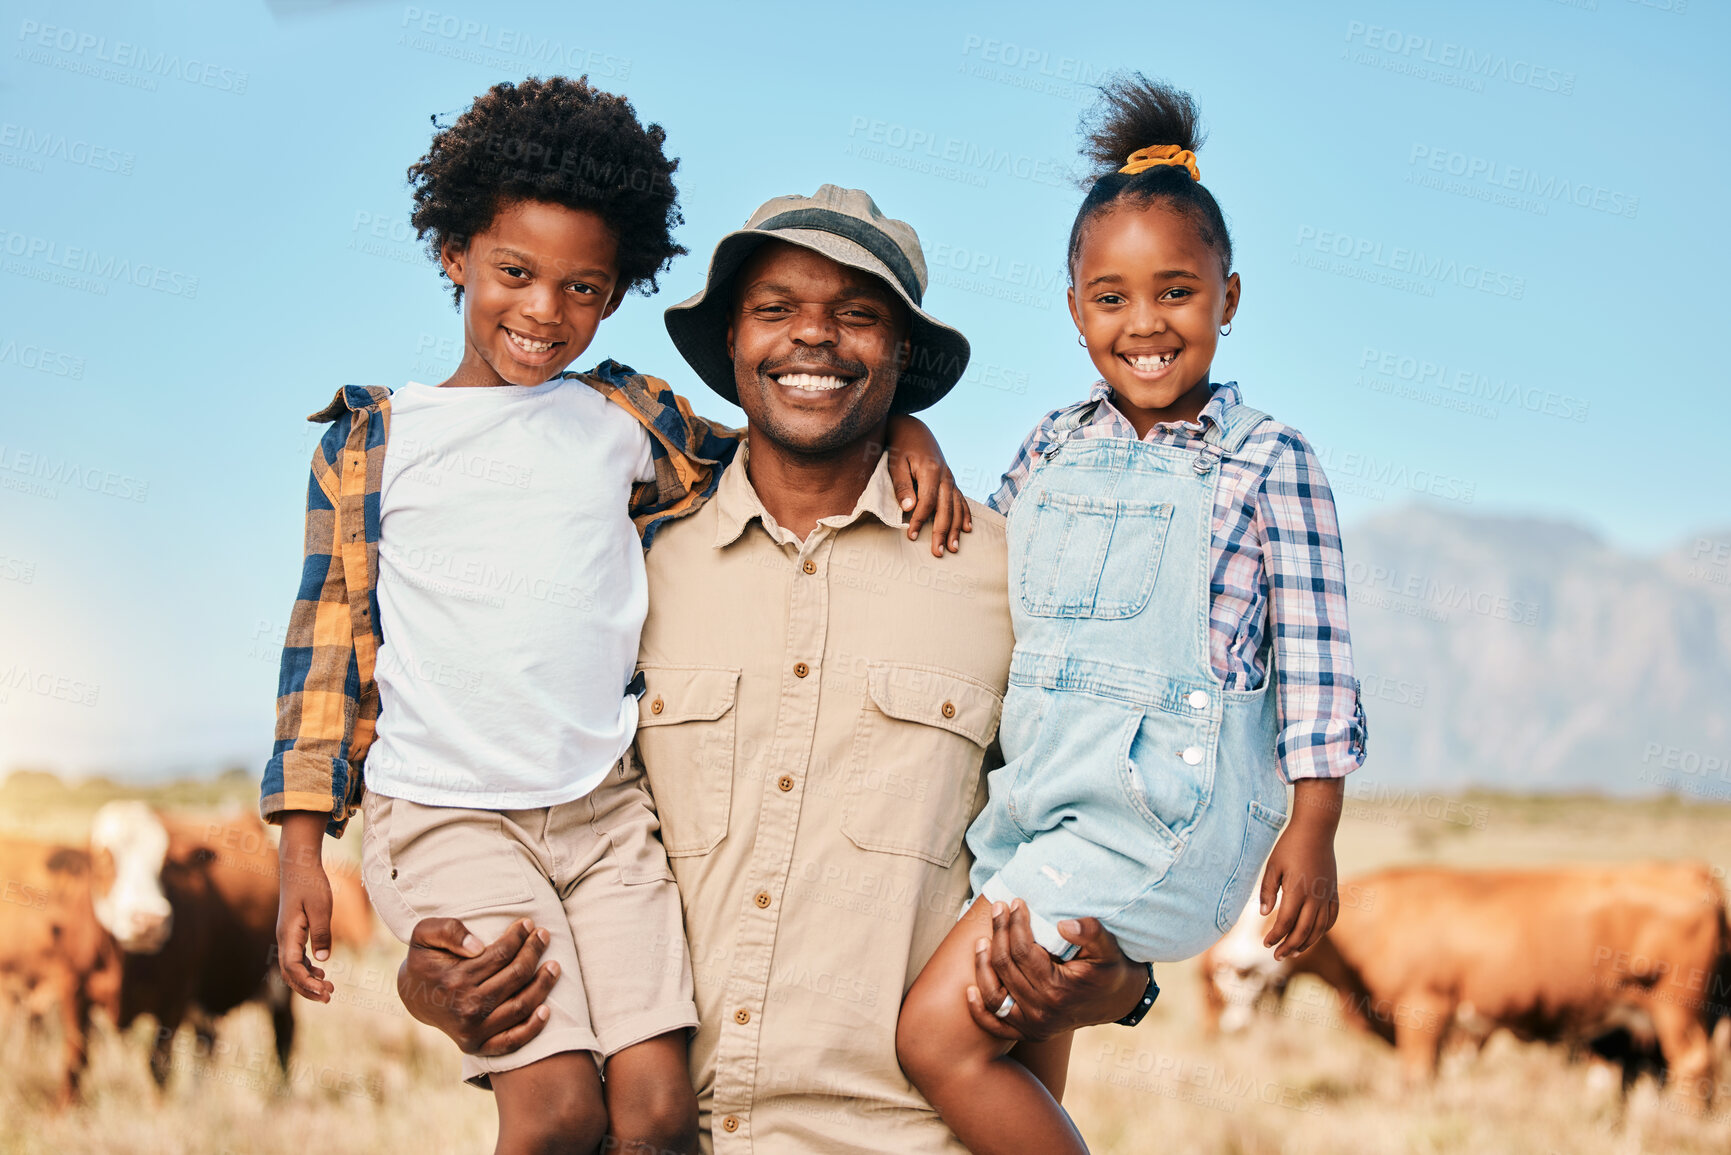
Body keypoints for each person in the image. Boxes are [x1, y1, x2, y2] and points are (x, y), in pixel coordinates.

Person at [258, 82, 963, 1155]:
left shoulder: (622, 418)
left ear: (620, 288)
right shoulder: (375, 445)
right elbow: (323, 651)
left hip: (601, 815)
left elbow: (791, 435)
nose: (546, 312)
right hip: (447, 813)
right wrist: (302, 853)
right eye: (515, 274)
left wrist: (905, 430)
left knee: (658, 1114)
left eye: (583, 287)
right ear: (454, 252)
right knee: (553, 1115)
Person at [390, 185, 1159, 1154]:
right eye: (776, 311)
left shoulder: (1010, 583)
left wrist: (1114, 981)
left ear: (904, 355)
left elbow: (1099, 843)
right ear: (732, 347)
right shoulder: (623, 570)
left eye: (857, 316)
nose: (814, 340)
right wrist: (426, 979)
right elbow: (497, 791)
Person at [894, 75, 1371, 1155]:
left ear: (1229, 298)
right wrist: (911, 440)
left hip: (1158, 819)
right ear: (1073, 309)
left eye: (1176, 294)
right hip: (1040, 798)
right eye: (1111, 298)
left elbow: (1321, 653)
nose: (1144, 325)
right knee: (1019, 1048)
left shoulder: (1269, 460)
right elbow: (979, 568)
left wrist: (1316, 824)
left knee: (936, 1042)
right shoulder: (1051, 445)